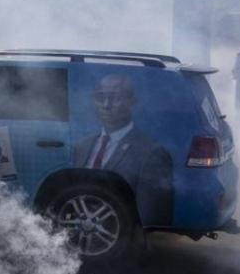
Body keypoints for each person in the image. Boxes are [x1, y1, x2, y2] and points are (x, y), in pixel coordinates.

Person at [73, 74, 175, 226]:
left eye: (115, 98)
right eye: (100, 97)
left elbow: (151, 217)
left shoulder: (152, 153)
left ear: (132, 102)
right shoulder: (82, 146)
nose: (106, 105)